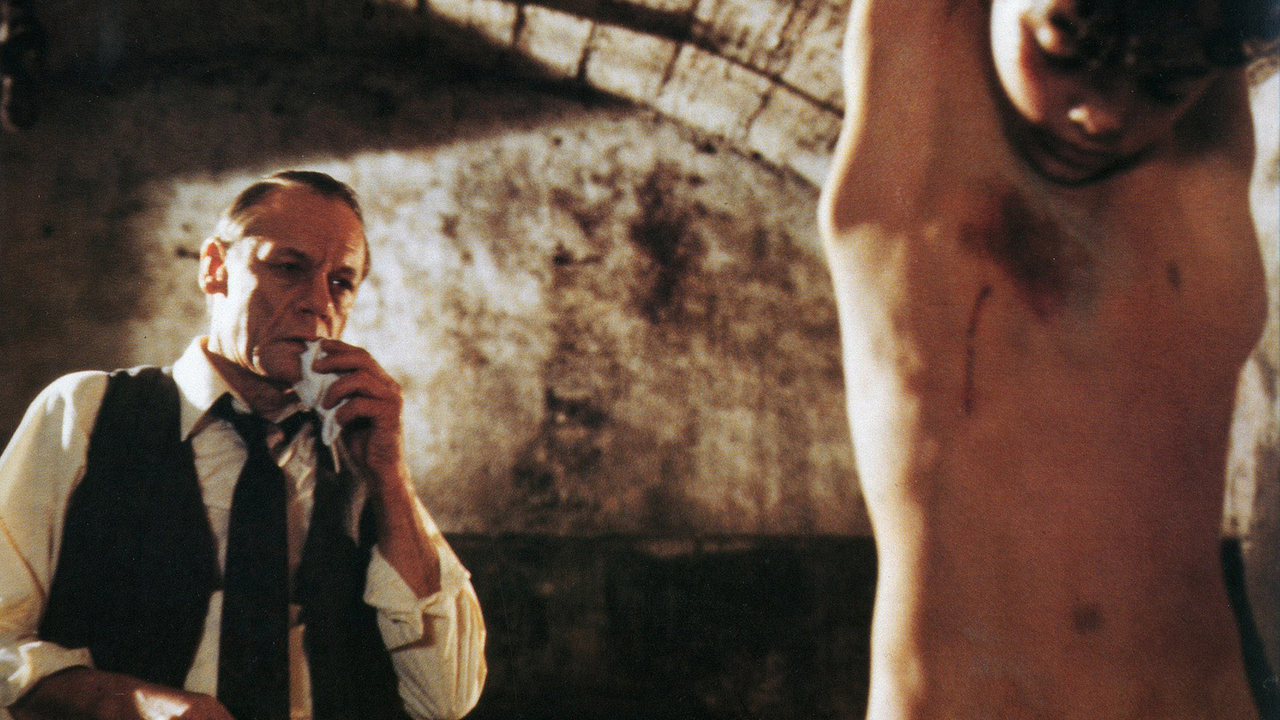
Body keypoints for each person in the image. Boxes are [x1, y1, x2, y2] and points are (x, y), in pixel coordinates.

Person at [819, 0, 1276, 718]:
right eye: (1064, 54)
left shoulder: (1199, 191)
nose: (1102, 115)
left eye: (1162, 86)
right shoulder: (918, 184)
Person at [0, 171, 487, 720]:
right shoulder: (87, 411)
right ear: (214, 267)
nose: (317, 303)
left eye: (341, 282)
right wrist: (131, 703)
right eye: (288, 268)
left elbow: (446, 699)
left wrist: (389, 477)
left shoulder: (356, 448)